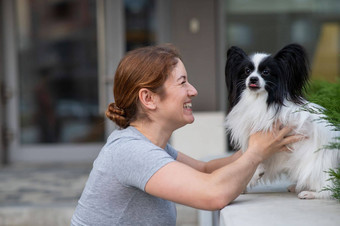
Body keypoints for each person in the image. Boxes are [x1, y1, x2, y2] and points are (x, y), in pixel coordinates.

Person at [71, 44, 303, 226]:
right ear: (148, 99)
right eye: (183, 83)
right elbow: (212, 193)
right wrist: (255, 154)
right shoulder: (131, 151)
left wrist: (261, 144)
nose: (193, 91)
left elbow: (203, 170)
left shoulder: (150, 145)